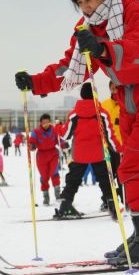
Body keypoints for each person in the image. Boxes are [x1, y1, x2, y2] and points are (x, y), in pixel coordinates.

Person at [14, 0, 139, 263]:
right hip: (126, 96)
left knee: (134, 166)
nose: (85, 7)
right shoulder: (87, 29)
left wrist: (104, 50)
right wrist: (35, 81)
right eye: (79, 2)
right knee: (135, 168)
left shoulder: (132, 10)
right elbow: (71, 67)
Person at [54, 82, 122, 219]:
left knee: (73, 180)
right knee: (105, 180)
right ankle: (112, 205)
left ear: (81, 95)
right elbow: (110, 135)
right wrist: (119, 149)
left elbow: (66, 135)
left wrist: (58, 127)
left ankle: (65, 205)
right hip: (99, 153)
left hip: (79, 154)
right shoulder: (102, 113)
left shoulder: (74, 114)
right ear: (95, 94)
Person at [29, 114, 62, 206]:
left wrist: (63, 144)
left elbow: (59, 140)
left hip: (53, 154)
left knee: (54, 173)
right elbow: (32, 142)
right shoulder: (36, 132)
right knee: (44, 176)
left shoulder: (54, 130)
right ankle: (46, 196)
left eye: (47, 122)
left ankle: (57, 193)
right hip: (41, 156)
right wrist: (32, 146)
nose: (46, 124)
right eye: (44, 123)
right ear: (40, 123)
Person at [101, 80, 124, 203]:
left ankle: (124, 198)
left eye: (117, 88)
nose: (115, 90)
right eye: (112, 88)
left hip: (122, 147)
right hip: (107, 146)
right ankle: (108, 200)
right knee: (108, 176)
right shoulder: (103, 105)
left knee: (122, 175)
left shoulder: (126, 104)